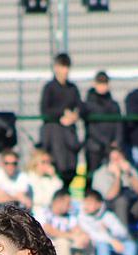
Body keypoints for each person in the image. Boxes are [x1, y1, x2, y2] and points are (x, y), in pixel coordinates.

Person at [39, 53, 82, 189]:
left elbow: (80, 106)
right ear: (56, 68)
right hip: (54, 134)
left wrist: (75, 115)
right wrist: (62, 115)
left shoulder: (72, 88)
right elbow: (45, 110)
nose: (65, 70)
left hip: (68, 134)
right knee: (56, 167)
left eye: (67, 67)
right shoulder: (49, 88)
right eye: (62, 66)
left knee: (70, 168)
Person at [35, 188, 93, 255]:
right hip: (46, 254)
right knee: (62, 242)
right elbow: (48, 229)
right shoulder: (42, 211)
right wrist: (71, 236)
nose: (70, 206)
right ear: (58, 201)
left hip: (66, 253)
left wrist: (83, 237)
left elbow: (77, 229)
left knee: (88, 243)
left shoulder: (69, 216)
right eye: (68, 203)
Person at [78, 188, 136, 255]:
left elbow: (122, 232)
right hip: (93, 248)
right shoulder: (81, 217)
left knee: (130, 244)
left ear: (99, 204)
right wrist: (111, 240)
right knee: (102, 245)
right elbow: (93, 235)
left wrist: (110, 230)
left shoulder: (107, 216)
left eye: (90, 203)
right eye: (86, 202)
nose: (86, 205)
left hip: (112, 244)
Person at [83, 71, 123, 178]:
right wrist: (105, 142)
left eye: (104, 83)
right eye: (100, 83)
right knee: (92, 176)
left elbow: (119, 124)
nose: (102, 86)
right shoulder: (88, 104)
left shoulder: (113, 105)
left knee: (111, 175)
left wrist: (116, 142)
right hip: (94, 147)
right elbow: (90, 127)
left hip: (110, 148)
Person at [22, 148, 63, 213]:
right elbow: (38, 199)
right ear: (35, 163)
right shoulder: (28, 177)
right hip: (34, 212)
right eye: (43, 162)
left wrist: (54, 176)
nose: (47, 165)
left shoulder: (50, 179)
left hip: (49, 212)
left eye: (48, 162)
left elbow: (59, 194)